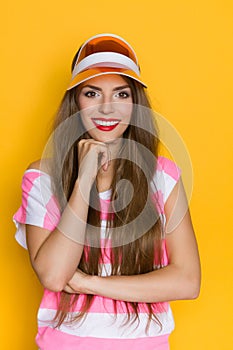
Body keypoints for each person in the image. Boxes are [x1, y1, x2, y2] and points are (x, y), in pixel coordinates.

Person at [13, 33, 201, 350]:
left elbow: (187, 281)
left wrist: (90, 283)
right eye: (92, 92)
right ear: (75, 101)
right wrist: (84, 177)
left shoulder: (162, 176)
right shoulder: (41, 177)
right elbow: (56, 277)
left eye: (121, 94)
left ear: (135, 104)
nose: (106, 108)